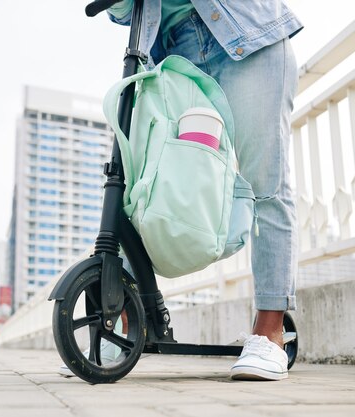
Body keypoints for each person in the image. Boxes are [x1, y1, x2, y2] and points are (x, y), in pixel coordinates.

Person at [105, 0, 303, 381]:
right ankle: (122, 327)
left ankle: (270, 332)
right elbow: (127, 11)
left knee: (266, 186)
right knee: (149, 184)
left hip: (247, 37)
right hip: (173, 53)